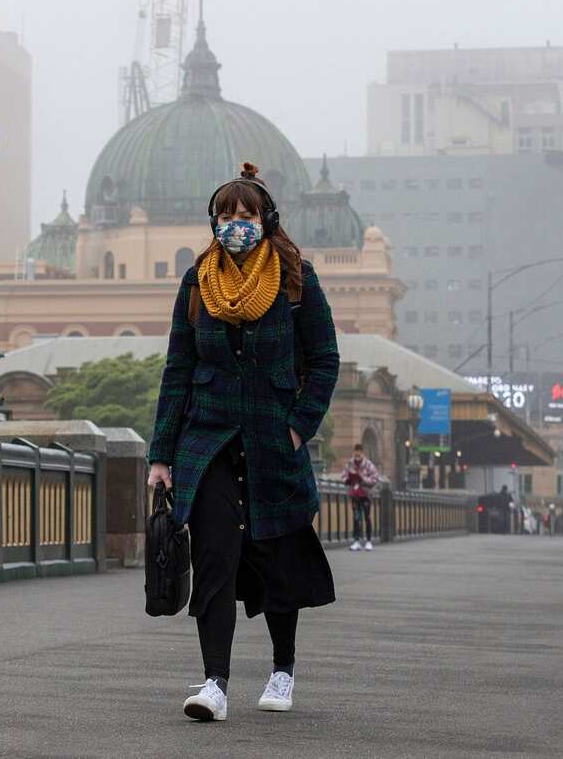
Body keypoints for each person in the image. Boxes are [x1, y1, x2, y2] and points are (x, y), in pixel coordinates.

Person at [147, 164, 339, 722]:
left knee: (277, 558)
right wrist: (161, 454)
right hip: (207, 442)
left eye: (246, 215)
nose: (236, 224)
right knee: (214, 560)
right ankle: (215, 683)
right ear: (214, 221)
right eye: (227, 215)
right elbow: (177, 371)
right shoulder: (196, 282)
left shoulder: (297, 279)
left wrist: (299, 425)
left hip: (274, 440)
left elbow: (325, 361)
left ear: (266, 220)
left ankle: (282, 670)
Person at [342, 444, 379, 551]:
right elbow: (344, 476)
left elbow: (375, 478)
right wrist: (348, 480)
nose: (357, 456)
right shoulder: (350, 463)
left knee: (367, 517)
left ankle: (368, 541)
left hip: (365, 494)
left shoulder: (368, 464)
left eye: (359, 454)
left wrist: (363, 479)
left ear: (362, 453)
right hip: (354, 494)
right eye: (355, 454)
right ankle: (356, 541)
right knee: (356, 517)